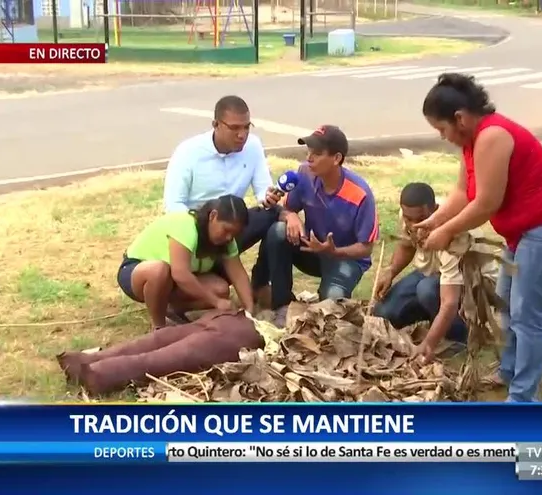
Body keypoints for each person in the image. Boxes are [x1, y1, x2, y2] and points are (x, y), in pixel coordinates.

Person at [415, 73, 542, 403]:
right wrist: (434, 220)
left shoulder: (493, 136)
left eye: (442, 129)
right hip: (523, 236)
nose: (442, 136)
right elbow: (463, 193)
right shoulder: (472, 143)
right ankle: (509, 372)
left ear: (460, 118)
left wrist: (446, 231)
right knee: (506, 308)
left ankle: (523, 398)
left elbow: (486, 203)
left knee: (527, 315)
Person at [163, 95, 281, 306]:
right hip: (195, 229)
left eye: (247, 127)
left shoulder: (253, 146)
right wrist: (199, 231)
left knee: (272, 215)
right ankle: (191, 279)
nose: (242, 135)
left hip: (231, 223)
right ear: (216, 125)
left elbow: (263, 189)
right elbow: (174, 205)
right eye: (235, 128)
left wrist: (268, 196)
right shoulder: (188, 152)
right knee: (218, 289)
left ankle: (260, 284)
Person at [262, 125, 379, 327]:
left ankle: (328, 296)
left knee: (331, 310)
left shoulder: (360, 194)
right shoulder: (304, 174)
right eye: (308, 152)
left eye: (317, 154)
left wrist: (335, 251)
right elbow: (285, 208)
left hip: (346, 259)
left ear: (336, 158)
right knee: (278, 232)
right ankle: (282, 306)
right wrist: (290, 216)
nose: (309, 158)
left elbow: (366, 247)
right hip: (313, 249)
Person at [372, 183, 497, 363]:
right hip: (433, 274)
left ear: (435, 210)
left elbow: (449, 302)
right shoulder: (409, 215)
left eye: (421, 218)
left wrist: (428, 344)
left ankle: (459, 336)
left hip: (474, 287)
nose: (415, 226)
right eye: (409, 219)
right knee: (384, 313)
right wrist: (391, 271)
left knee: (427, 290)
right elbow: (407, 245)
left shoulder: (456, 236)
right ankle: (432, 316)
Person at [117, 194, 255, 330]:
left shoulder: (227, 241)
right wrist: (216, 302)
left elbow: (238, 274)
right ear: (213, 216)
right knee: (158, 270)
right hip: (136, 272)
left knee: (220, 289)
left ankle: (169, 309)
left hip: (170, 281)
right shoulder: (186, 225)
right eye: (226, 230)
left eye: (234, 234)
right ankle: (159, 326)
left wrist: (250, 311)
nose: (229, 237)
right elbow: (180, 274)